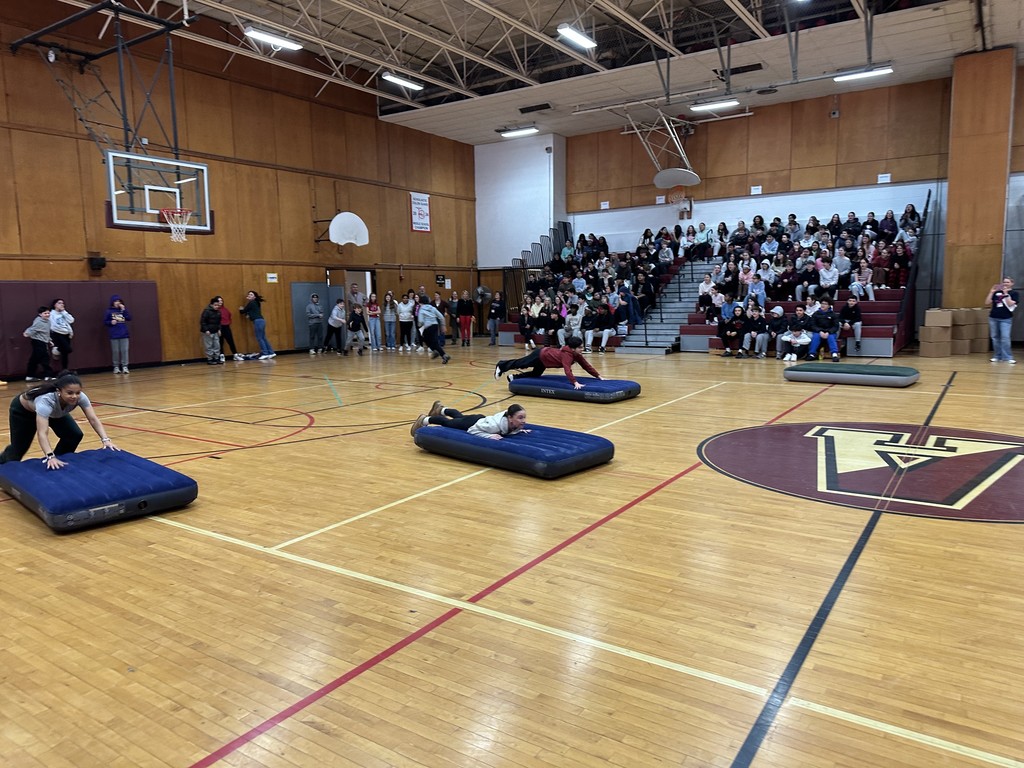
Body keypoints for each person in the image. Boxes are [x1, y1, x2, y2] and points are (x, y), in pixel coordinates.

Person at [0, 372, 120, 468]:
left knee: (74, 434)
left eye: (77, 392)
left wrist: (106, 440)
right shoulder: (46, 401)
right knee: (18, 449)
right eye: (69, 393)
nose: (74, 396)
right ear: (59, 392)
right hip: (23, 412)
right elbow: (42, 433)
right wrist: (49, 456)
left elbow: (93, 419)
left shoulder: (80, 398)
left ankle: (59, 462)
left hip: (53, 413)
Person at [493, 336, 601, 389]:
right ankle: (501, 365)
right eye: (580, 348)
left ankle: (514, 378)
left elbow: (586, 366)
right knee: (522, 363)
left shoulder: (577, 355)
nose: (582, 349)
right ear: (573, 349)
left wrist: (598, 376)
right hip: (540, 355)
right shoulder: (567, 355)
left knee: (536, 374)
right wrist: (575, 382)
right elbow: (567, 370)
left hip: (545, 361)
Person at [411, 401, 528, 439]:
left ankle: (441, 409)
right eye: (520, 418)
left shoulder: (511, 423)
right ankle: (425, 419)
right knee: (448, 423)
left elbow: (510, 428)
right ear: (510, 418)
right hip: (474, 423)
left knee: (459, 417)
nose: (523, 421)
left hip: (480, 419)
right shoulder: (493, 427)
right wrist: (489, 436)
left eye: (524, 417)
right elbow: (472, 430)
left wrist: (518, 430)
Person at [986, 277, 1018, 363]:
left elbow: (1010, 303)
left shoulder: (1014, 293)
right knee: (995, 337)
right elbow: (987, 302)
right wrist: (991, 292)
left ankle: (1007, 357)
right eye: (1004, 282)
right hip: (993, 317)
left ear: (1012, 283)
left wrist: (1006, 293)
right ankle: (997, 356)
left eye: (1007, 282)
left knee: (1005, 337)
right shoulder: (997, 292)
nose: (1005, 284)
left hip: (1005, 318)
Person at [23, 306, 55, 382]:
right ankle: (48, 375)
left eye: (48, 313)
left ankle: (29, 376)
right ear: (40, 314)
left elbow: (46, 332)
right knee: (45, 358)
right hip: (38, 342)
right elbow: (33, 329)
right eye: (45, 313)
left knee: (34, 359)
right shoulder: (39, 322)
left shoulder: (48, 321)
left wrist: (49, 340)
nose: (47, 315)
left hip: (42, 342)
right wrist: (27, 333)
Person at [240, 290, 275, 359]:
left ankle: (265, 353)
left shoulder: (251, 303)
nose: (249, 295)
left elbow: (243, 311)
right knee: (263, 337)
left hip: (258, 321)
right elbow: (251, 311)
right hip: (261, 321)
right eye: (248, 294)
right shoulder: (255, 303)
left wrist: (241, 309)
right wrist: (248, 314)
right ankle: (271, 352)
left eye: (251, 294)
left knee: (259, 338)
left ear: (254, 297)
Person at [806, 297, 841, 362]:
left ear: (829, 305)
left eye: (825, 304)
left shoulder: (833, 315)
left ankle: (834, 354)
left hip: (830, 332)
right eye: (822, 303)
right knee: (815, 337)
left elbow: (836, 326)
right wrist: (819, 331)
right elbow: (813, 325)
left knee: (831, 337)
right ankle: (812, 354)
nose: (823, 305)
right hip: (818, 331)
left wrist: (828, 332)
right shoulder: (816, 314)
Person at [417, 295, 450, 363]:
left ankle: (442, 354)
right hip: (435, 325)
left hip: (427, 327)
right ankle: (437, 352)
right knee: (433, 341)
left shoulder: (421, 309)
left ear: (421, 303)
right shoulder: (433, 308)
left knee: (427, 340)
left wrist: (420, 326)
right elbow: (441, 317)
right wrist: (443, 326)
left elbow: (420, 321)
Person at [104, 294, 132, 374]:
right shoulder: (108, 311)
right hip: (114, 334)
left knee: (124, 350)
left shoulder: (122, 311)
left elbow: (129, 318)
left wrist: (124, 310)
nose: (117, 303)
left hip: (124, 334)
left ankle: (125, 366)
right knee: (115, 351)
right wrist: (110, 322)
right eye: (116, 301)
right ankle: (116, 366)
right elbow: (105, 322)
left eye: (119, 301)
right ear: (112, 302)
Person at [49, 298, 75, 371]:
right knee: (68, 349)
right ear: (55, 305)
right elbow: (53, 326)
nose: (62, 304)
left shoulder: (63, 313)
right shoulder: (52, 314)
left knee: (65, 353)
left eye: (62, 303)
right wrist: (62, 330)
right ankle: (56, 350)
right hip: (58, 334)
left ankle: (65, 370)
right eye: (59, 303)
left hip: (67, 334)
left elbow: (71, 320)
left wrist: (64, 311)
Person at [200, 297, 223, 365]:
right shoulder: (206, 311)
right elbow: (203, 322)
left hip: (215, 331)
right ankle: (210, 358)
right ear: (211, 305)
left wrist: (219, 329)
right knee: (209, 345)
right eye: (215, 305)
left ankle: (216, 358)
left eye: (218, 305)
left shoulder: (218, 312)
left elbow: (219, 322)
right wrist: (206, 330)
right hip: (208, 332)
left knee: (217, 345)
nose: (216, 307)